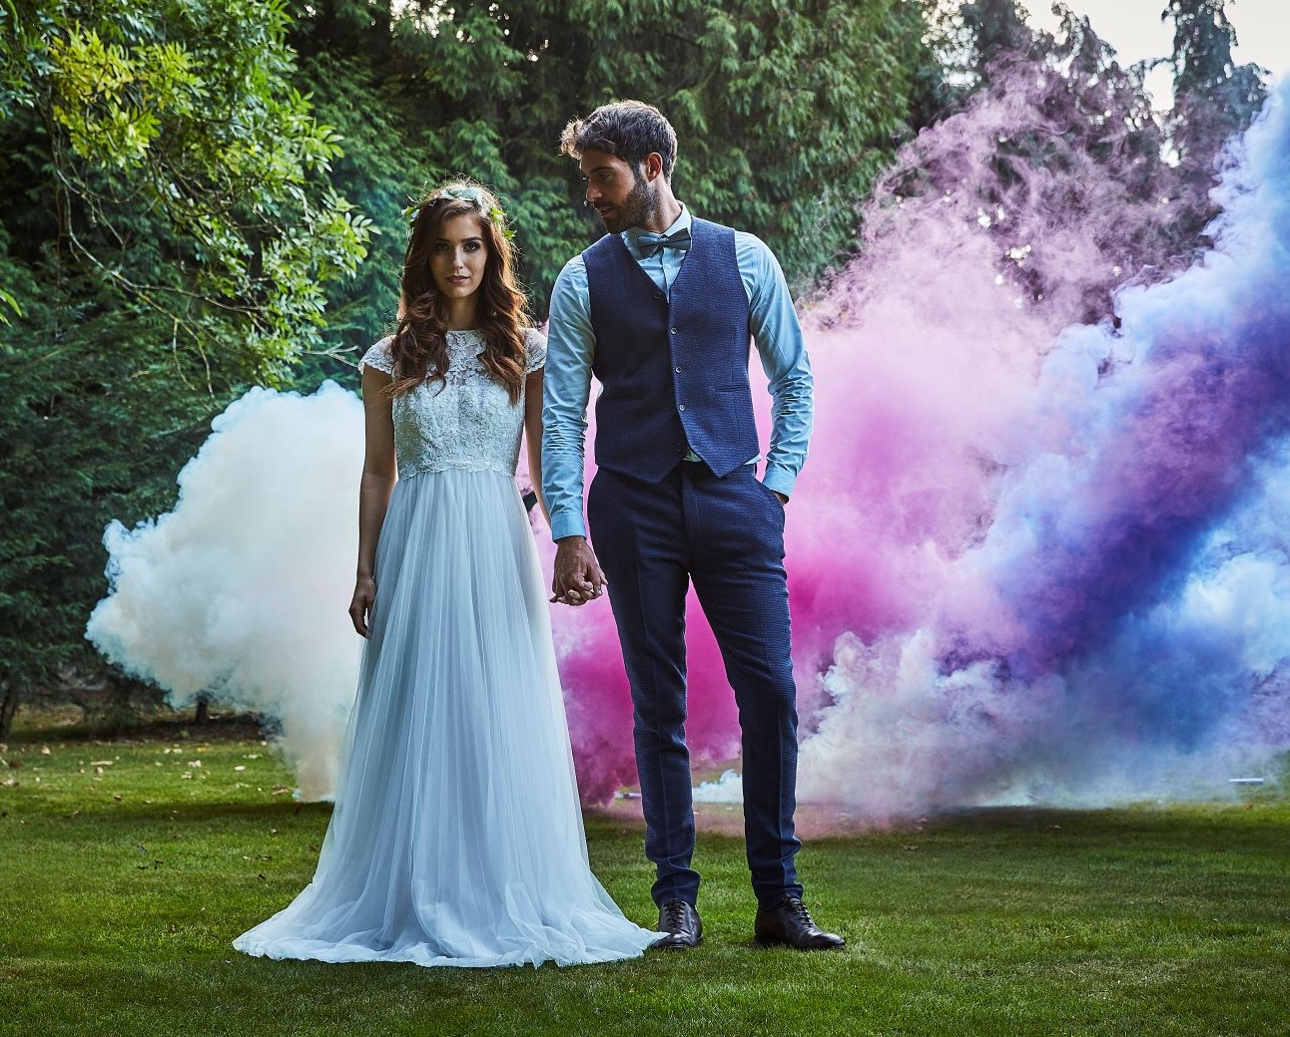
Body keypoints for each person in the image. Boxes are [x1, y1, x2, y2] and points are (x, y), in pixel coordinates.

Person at [233, 182, 658, 968]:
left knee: (493, 705)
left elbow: (547, 457)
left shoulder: (524, 350)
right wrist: (364, 569)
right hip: (418, 540)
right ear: (424, 257)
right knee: (417, 712)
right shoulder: (388, 358)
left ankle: (501, 886)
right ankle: (410, 886)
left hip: (495, 539)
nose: (458, 260)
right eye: (444, 246)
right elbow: (375, 474)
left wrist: (575, 540)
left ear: (491, 254)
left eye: (472, 245)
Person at [542, 101, 844, 952]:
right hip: (631, 505)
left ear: (652, 166)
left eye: (602, 178)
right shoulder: (581, 279)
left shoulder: (744, 257)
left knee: (773, 696)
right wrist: (570, 527)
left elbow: (796, 377)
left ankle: (779, 899)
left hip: (734, 500)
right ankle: (676, 899)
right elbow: (562, 413)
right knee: (658, 705)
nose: (592, 195)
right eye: (588, 179)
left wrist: (774, 489)